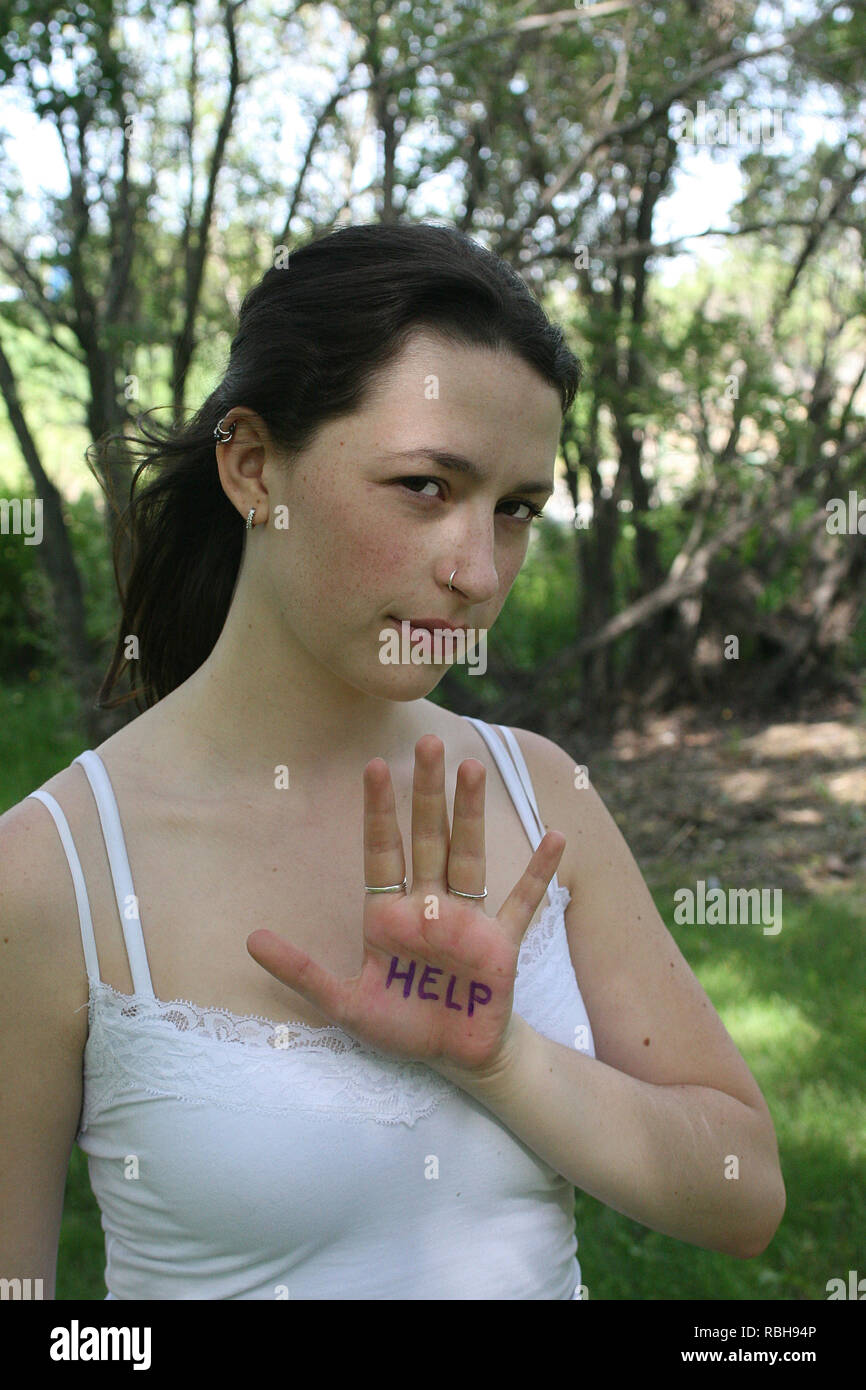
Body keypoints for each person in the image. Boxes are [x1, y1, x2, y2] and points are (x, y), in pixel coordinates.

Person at [0, 221, 785, 1300]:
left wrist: (503, 1059)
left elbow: (742, 1194)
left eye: (514, 510)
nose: (475, 571)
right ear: (251, 466)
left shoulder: (537, 791)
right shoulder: (52, 873)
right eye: (424, 485)